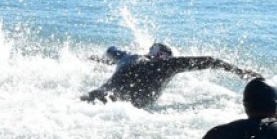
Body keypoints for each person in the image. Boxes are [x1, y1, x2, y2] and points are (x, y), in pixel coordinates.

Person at [84, 43, 263, 108]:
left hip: (98, 96)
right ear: (164, 56)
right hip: (130, 110)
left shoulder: (127, 57)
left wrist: (103, 60)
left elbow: (111, 50)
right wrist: (241, 72)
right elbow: (210, 60)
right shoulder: (168, 66)